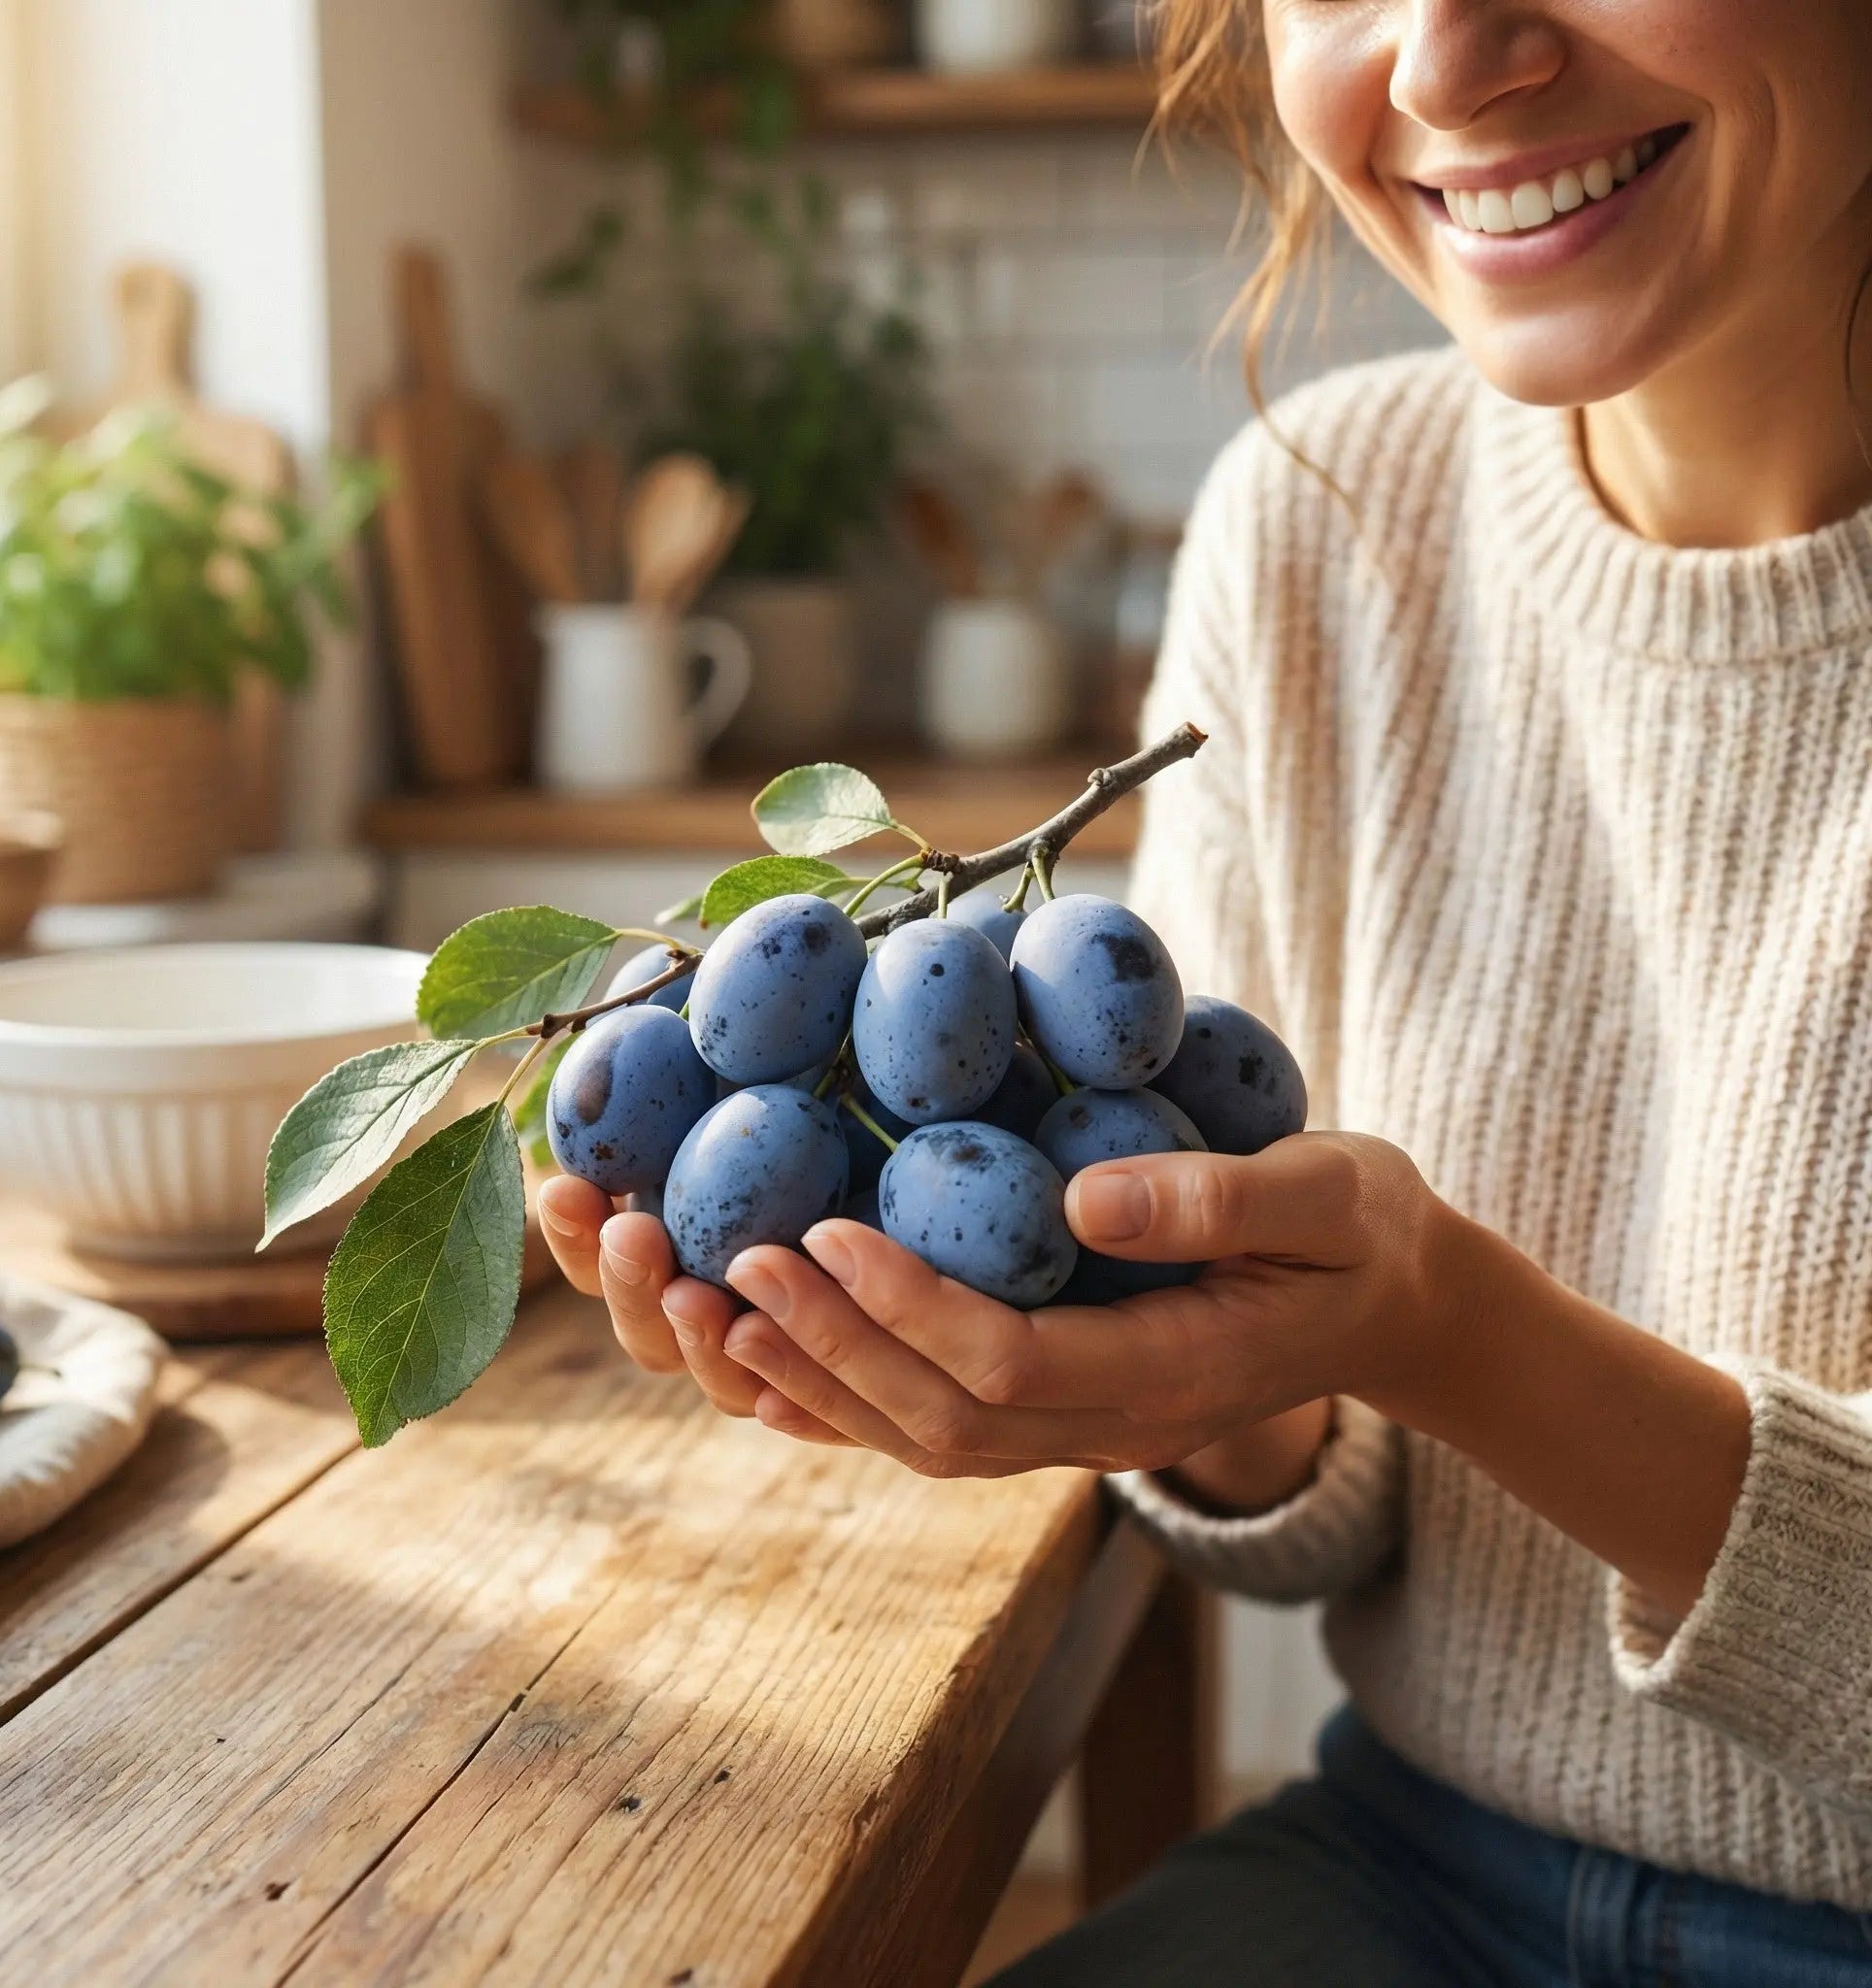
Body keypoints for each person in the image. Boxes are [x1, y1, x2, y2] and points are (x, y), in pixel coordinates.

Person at [540, 3, 1872, 1978]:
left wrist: (1457, 1329)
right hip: (1411, 1868)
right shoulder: (1320, 530)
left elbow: (1433, 1339)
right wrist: (1185, 1373)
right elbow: (1320, 1494)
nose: (1443, 62)